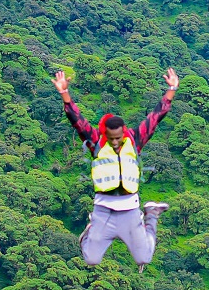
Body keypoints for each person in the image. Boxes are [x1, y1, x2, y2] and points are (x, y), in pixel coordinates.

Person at [53, 66, 179, 272]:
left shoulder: (135, 139)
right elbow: (77, 121)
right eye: (111, 138)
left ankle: (152, 213)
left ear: (124, 132)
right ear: (105, 134)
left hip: (129, 209)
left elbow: (156, 117)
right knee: (91, 259)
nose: (115, 142)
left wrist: (172, 89)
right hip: (103, 211)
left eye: (118, 138)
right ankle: (90, 230)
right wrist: (64, 93)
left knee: (144, 258)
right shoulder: (96, 142)